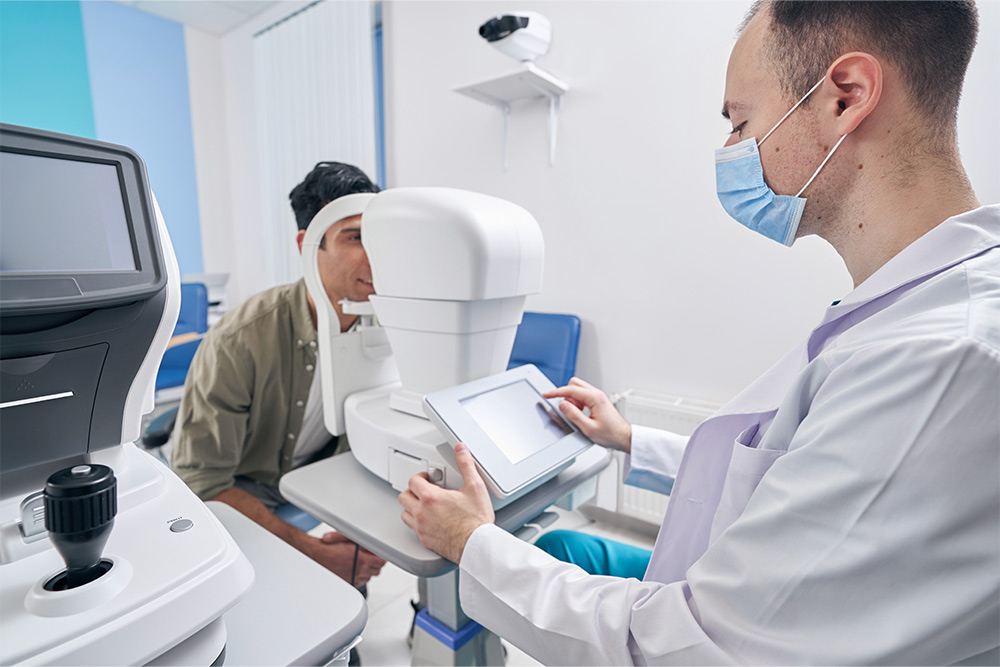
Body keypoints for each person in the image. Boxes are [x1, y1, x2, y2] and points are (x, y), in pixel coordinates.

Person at [398, 2, 999, 663]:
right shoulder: (910, 302)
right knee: (565, 547)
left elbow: (690, 644)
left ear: (844, 97)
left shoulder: (940, 359)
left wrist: (473, 543)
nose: (730, 152)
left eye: (740, 122)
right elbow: (783, 469)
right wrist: (629, 439)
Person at [172, 162, 386, 587]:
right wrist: (313, 554)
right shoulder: (243, 337)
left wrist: (362, 531)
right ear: (308, 246)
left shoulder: (386, 327)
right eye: (356, 237)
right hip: (244, 482)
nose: (376, 255)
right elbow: (202, 482)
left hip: (321, 475)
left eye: (380, 237)